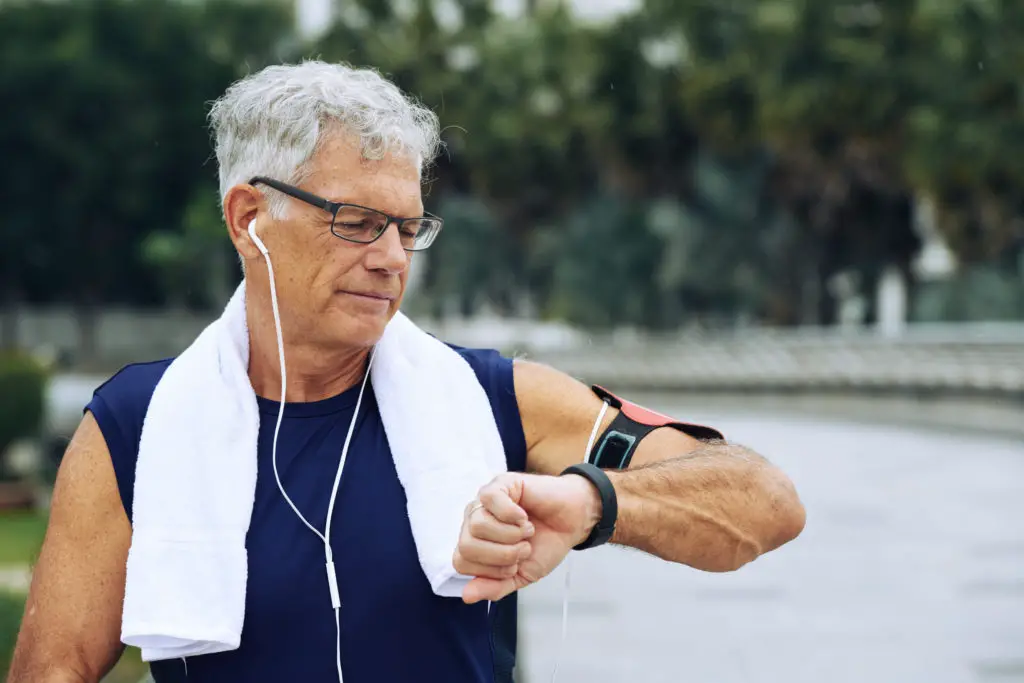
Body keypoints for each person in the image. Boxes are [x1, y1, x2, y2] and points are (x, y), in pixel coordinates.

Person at [7, 61, 805, 683]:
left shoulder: (498, 402)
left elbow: (765, 502)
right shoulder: (135, 426)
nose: (391, 259)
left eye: (409, 227)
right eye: (356, 223)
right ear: (249, 218)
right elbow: (54, 667)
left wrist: (593, 500)